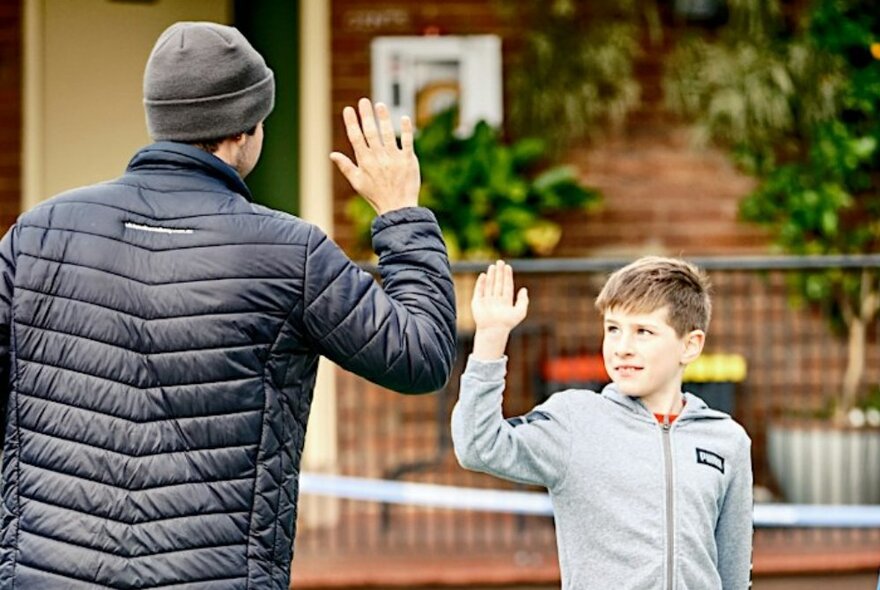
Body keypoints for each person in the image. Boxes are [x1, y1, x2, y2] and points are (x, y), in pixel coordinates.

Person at [0, 21, 456, 589]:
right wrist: (399, 212)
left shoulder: (38, 233)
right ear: (245, 131)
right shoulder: (292, 252)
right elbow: (422, 354)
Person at [452, 258, 753, 589]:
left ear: (690, 345)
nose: (622, 347)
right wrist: (491, 339)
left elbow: (734, 570)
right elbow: (477, 446)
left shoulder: (727, 440)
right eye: (613, 329)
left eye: (643, 332)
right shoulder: (575, 422)